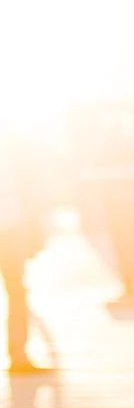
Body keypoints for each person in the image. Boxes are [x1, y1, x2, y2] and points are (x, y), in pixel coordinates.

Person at [0, 126, 53, 373]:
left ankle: (18, 353)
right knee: (16, 290)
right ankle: (18, 354)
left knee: (17, 289)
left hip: (12, 229)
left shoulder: (18, 158)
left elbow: (33, 197)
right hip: (12, 226)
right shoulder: (17, 156)